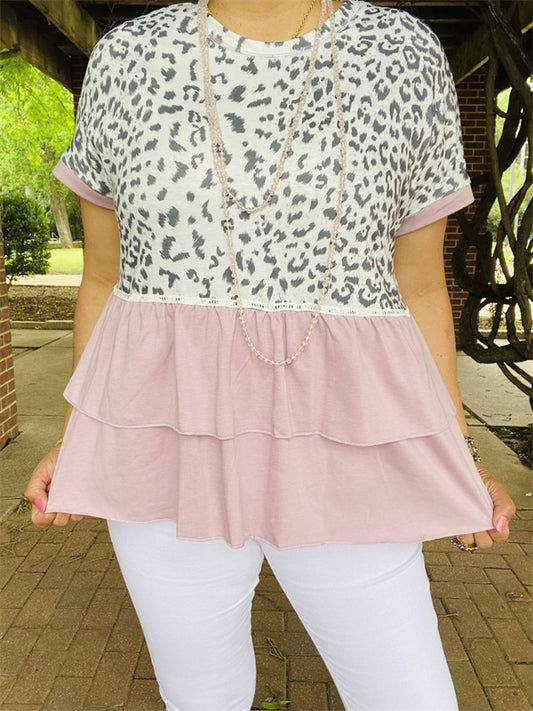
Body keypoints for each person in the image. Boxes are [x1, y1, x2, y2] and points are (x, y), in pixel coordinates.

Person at [25, 1, 516, 709]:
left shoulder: (403, 51)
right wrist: (80, 435)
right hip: (164, 434)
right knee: (202, 697)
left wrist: (456, 452)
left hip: (346, 434)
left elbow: (417, 287)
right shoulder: (127, 56)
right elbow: (105, 278)